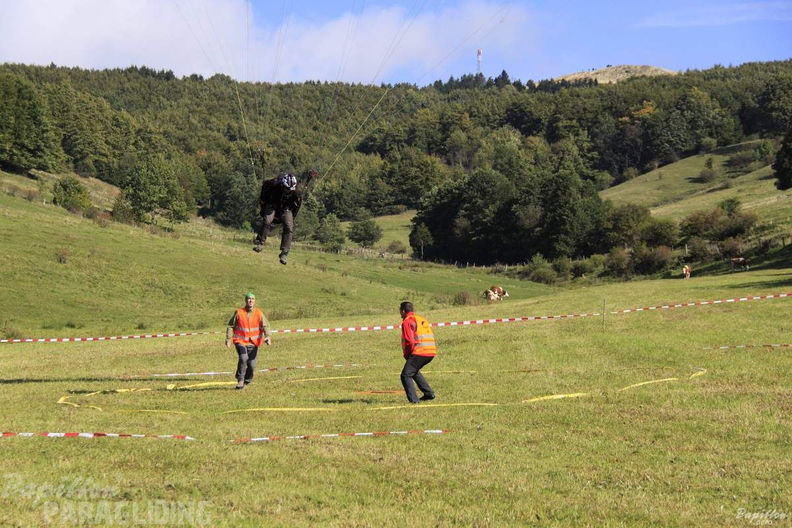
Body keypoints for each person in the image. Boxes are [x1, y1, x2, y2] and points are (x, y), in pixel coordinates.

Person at [253, 169, 317, 265]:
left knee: (289, 227)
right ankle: (260, 243)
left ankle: (284, 253)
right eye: (287, 189)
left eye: (290, 190)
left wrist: (292, 217)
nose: (288, 191)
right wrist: (262, 203)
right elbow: (264, 188)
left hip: (286, 208)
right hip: (272, 204)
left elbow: (297, 206)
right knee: (267, 220)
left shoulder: (296, 192)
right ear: (283, 185)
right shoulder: (274, 184)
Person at [226, 292, 271, 389]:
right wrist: (229, 339)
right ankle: (240, 380)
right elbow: (230, 326)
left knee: (252, 365)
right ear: (245, 301)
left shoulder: (259, 313)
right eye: (248, 299)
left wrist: (267, 336)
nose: (250, 301)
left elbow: (265, 325)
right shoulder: (239, 312)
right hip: (240, 342)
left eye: (252, 299)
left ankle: (247, 380)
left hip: (253, 343)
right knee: (243, 358)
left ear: (255, 301)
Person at [399, 301, 436, 404]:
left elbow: (410, 341)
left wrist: (407, 354)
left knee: (405, 375)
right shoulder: (420, 319)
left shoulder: (407, 321)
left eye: (400, 311)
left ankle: (414, 401)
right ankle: (429, 394)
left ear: (403, 311)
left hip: (420, 352)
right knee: (413, 371)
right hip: (431, 351)